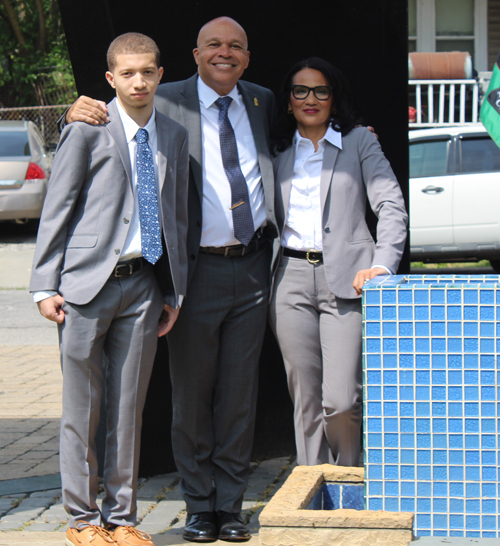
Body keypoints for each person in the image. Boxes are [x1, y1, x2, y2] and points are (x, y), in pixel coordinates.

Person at [63, 17, 279, 543]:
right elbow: (107, 126)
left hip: (252, 269)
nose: (223, 54)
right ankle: (197, 506)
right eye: (213, 45)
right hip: (193, 270)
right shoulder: (165, 97)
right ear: (193, 55)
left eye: (235, 47)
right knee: (190, 398)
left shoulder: (262, 101)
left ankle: (230, 506)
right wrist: (72, 110)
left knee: (238, 397)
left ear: (247, 57)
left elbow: (305, 126)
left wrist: (356, 127)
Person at [30, 33, 189, 546]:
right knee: (84, 407)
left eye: (147, 71)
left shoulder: (174, 134)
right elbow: (58, 207)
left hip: (143, 286)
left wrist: (175, 292)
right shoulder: (88, 128)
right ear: (110, 80)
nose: (138, 81)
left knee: (128, 408)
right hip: (84, 287)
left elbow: (177, 220)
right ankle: (81, 519)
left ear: (160, 74)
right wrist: (42, 285)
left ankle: (122, 519)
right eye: (128, 73)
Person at [269, 58, 407, 468]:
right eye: (301, 90)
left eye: (321, 91)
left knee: (342, 399)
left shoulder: (360, 141)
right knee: (306, 399)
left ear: (334, 97)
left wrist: (382, 265)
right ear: (289, 100)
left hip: (348, 282)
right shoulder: (273, 147)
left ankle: (347, 480)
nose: (311, 99)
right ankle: (312, 486)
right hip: (287, 280)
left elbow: (391, 207)